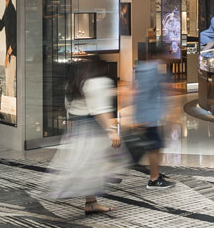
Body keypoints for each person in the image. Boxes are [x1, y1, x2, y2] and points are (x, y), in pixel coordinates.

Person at [42, 55, 122, 215]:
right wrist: (112, 131)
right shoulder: (97, 83)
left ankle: (91, 203)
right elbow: (99, 110)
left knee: (84, 164)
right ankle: (58, 191)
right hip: (91, 129)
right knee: (92, 166)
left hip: (78, 129)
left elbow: (68, 107)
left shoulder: (75, 83)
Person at [131, 42, 171, 187]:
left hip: (149, 116)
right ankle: (154, 179)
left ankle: (155, 173)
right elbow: (144, 94)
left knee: (154, 146)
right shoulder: (154, 70)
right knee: (154, 147)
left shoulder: (143, 68)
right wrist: (144, 118)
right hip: (150, 117)